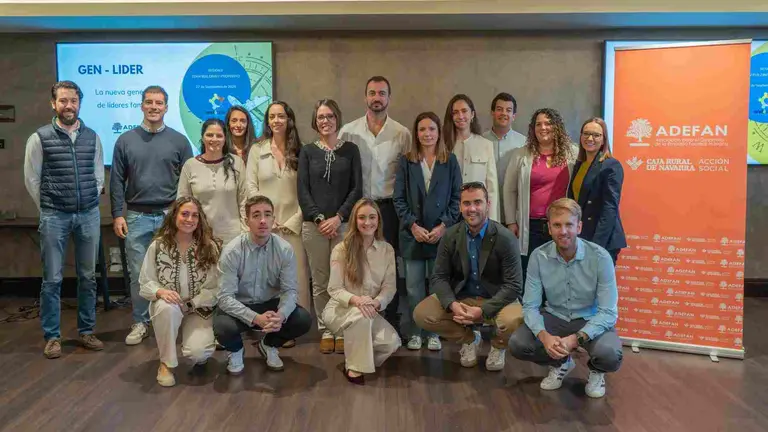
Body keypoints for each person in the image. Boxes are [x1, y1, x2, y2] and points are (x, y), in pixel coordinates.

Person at [508, 198, 622, 398]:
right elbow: (530, 306)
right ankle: (560, 363)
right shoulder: (538, 256)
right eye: (557, 225)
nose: (563, 231)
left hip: (589, 318)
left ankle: (596, 371)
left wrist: (575, 339)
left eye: (569, 224)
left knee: (609, 354)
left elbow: (608, 312)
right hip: (555, 316)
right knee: (518, 344)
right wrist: (545, 337)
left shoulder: (601, 258)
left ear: (579, 226)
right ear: (549, 228)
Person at [23, 80, 105, 358]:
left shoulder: (92, 136)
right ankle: (52, 336)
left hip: (88, 215)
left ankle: (86, 331)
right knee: (52, 279)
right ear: (54, 104)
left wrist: (90, 199)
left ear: (79, 103)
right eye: (63, 101)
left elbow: (97, 176)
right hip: (54, 216)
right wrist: (48, 207)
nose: (68, 105)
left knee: (88, 277)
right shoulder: (40, 137)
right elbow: (32, 179)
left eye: (73, 100)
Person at [111, 85, 194, 346]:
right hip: (137, 216)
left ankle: (177, 317)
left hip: (172, 216)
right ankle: (140, 322)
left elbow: (189, 181)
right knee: (139, 274)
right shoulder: (125, 140)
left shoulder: (180, 141)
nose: (154, 107)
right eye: (149, 102)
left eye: (159, 103)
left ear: (166, 107)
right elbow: (116, 181)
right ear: (142, 106)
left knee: (176, 271)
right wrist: (117, 214)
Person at [413, 182, 523, 371]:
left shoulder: (505, 238)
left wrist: (483, 311)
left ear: (488, 204)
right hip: (463, 298)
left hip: (497, 299)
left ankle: (498, 346)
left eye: (478, 202)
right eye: (467, 203)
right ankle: (469, 340)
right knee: (422, 314)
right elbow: (439, 277)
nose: (472, 209)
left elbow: (514, 285)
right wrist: (453, 305)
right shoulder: (450, 236)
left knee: (514, 320)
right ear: (460, 206)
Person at [338, 76, 412, 333]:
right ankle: (356, 319)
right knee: (356, 262)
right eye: (372, 93)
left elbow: (407, 176)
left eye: (382, 93)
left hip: (389, 208)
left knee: (388, 265)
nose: (376, 98)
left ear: (389, 98)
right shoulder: (348, 131)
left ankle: (389, 320)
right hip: (358, 208)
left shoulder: (402, 133)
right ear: (365, 97)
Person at [213, 195, 312, 373]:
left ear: (274, 220)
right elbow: (224, 297)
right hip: (240, 304)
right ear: (247, 221)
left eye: (267, 214)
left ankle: (268, 345)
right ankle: (236, 350)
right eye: (256, 215)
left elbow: (289, 291)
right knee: (222, 328)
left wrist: (280, 316)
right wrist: (255, 318)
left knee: (302, 320)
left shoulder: (284, 249)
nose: (263, 220)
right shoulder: (232, 251)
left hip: (270, 304)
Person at [298, 99, 363, 354]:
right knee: (321, 281)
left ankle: (343, 329)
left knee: (344, 281)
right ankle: (327, 329)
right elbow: (302, 190)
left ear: (338, 118)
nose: (325, 121)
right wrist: (318, 219)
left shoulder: (351, 150)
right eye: (321, 117)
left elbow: (357, 188)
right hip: (313, 227)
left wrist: (338, 217)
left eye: (330, 116)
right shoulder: (307, 152)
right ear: (315, 121)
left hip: (344, 225)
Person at [393, 112, 461, 351]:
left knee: (436, 288)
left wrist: (443, 226)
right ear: (416, 133)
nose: (427, 134)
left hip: (440, 236)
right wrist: (413, 225)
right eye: (422, 129)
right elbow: (398, 199)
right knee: (413, 288)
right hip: (413, 235)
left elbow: (456, 199)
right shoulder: (406, 161)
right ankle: (415, 332)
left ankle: (433, 333)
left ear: (439, 132)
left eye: (431, 129)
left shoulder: (449, 161)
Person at [138, 197, 221, 387]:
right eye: (185, 214)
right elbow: (145, 281)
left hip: (198, 307)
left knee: (198, 353)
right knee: (166, 308)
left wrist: (193, 303)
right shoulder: (158, 246)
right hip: (169, 305)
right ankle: (166, 364)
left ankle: (201, 350)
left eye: (194, 215)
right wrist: (159, 291)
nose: (189, 219)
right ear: (174, 215)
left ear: (200, 220)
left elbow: (216, 287)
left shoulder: (209, 247)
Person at [247, 101, 310, 348]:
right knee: (266, 279)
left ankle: (291, 327)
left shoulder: (302, 151)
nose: (276, 120)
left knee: (295, 279)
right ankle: (267, 325)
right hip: (265, 228)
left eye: (281, 116)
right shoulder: (257, 150)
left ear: (289, 119)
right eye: (272, 116)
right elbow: (250, 187)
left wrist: (293, 220)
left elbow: (308, 191)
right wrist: (265, 219)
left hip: (293, 226)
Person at [322, 198, 401, 385]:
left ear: (379, 221)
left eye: (372, 217)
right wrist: (357, 301)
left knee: (392, 343)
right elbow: (334, 288)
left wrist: (376, 302)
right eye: (362, 217)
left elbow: (390, 287)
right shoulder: (341, 249)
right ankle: (354, 369)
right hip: (339, 311)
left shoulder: (387, 250)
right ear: (354, 221)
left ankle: (356, 352)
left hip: (369, 309)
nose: (367, 222)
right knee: (361, 316)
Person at [503, 108, 576, 281]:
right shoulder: (521, 154)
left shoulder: (572, 153)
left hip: (561, 226)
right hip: (531, 226)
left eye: (548, 123)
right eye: (538, 124)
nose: (543, 127)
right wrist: (511, 221)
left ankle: (555, 308)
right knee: (532, 272)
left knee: (559, 272)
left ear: (557, 127)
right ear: (532, 129)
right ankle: (532, 308)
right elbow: (509, 189)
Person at [177, 118, 248, 246]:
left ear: (225, 138)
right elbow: (182, 203)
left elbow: (244, 200)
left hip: (234, 238)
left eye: (219, 136)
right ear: (202, 138)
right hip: (200, 238)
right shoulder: (190, 165)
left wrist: (245, 232)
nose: (214, 139)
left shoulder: (237, 163)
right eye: (209, 135)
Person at [567, 117, 626, 264]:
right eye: (586, 133)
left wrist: (596, 246)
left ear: (604, 139)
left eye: (596, 135)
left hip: (601, 240)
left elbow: (609, 208)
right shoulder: (579, 164)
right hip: (582, 236)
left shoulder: (611, 165)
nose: (590, 138)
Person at [443, 94, 499, 221]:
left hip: (477, 213)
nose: (460, 116)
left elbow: (492, 188)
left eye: (464, 111)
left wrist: (493, 221)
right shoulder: (443, 146)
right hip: (450, 214)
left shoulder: (485, 145)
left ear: (472, 114)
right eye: (455, 112)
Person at [482, 92, 526, 224]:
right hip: (486, 212)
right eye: (499, 109)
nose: (503, 113)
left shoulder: (524, 143)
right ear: (492, 112)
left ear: (514, 116)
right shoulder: (480, 141)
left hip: (515, 213)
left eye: (508, 110)